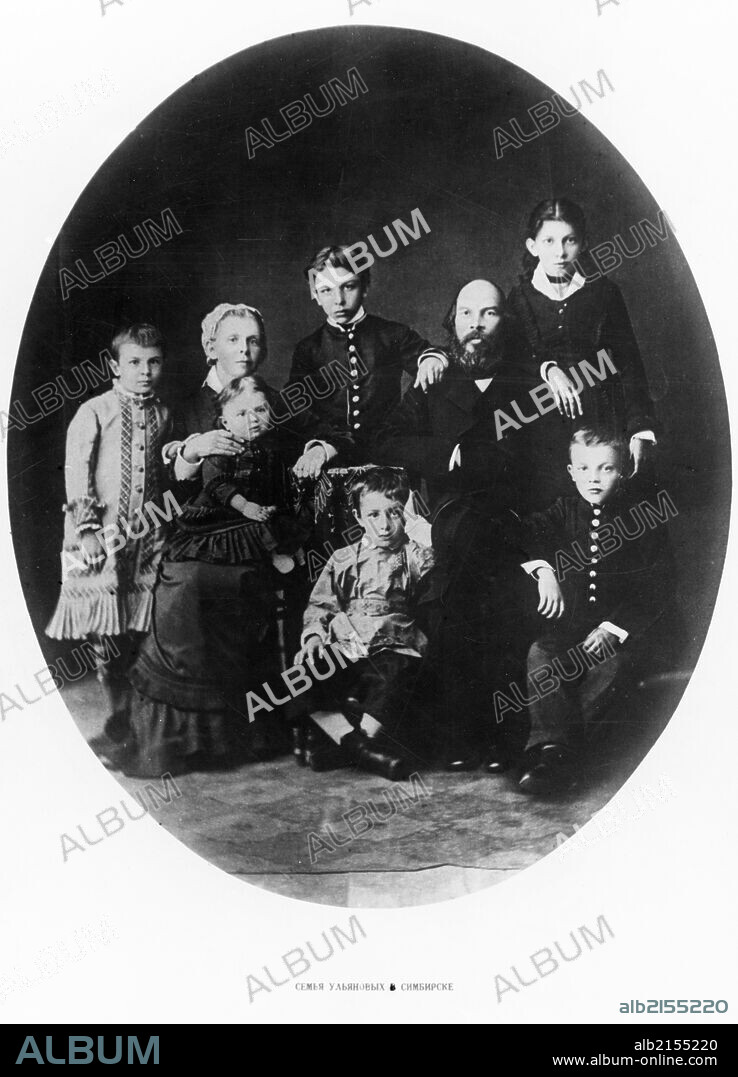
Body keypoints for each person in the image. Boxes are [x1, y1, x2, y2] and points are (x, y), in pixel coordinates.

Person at [122, 311, 324, 778]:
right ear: (210, 347)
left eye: (254, 341)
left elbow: (313, 432)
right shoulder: (186, 402)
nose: (244, 350)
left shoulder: (271, 399)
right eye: (232, 340)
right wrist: (191, 450)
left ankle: (248, 730)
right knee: (185, 585)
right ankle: (183, 736)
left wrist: (318, 447)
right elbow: (161, 470)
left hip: (252, 536)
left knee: (245, 583)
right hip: (200, 529)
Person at [374, 279, 536, 771]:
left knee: (459, 595)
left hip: (512, 524)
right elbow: (384, 440)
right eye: (467, 314)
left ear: (502, 323)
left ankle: (468, 737)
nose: (476, 326)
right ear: (452, 322)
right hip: (450, 522)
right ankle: (486, 739)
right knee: (470, 573)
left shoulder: (527, 383)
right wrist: (448, 454)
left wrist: (481, 461)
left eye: (488, 315)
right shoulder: (433, 382)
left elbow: (540, 467)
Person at [516, 427, 675, 795]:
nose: (594, 478)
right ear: (571, 472)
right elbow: (525, 533)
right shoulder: (563, 509)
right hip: (571, 627)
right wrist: (544, 570)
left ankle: (569, 754)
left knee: (612, 667)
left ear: (624, 472)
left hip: (621, 631)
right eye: (584, 469)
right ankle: (553, 748)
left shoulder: (642, 517)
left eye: (606, 469)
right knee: (542, 653)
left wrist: (614, 628)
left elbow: (659, 584)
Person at [46, 324, 172, 749]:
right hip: (100, 540)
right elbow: (77, 471)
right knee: (108, 636)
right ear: (113, 366)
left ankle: (137, 720)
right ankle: (116, 716)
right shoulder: (95, 410)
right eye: (134, 362)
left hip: (145, 540)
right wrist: (87, 531)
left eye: (153, 362)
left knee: (139, 632)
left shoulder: (163, 413)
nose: (144, 371)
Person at [506, 198, 658, 506]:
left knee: (609, 506)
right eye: (549, 241)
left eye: (569, 240)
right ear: (532, 246)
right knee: (550, 505)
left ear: (583, 244)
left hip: (603, 416)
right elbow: (512, 360)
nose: (559, 252)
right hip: (542, 422)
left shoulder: (605, 293)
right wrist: (548, 369)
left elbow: (628, 362)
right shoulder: (520, 298)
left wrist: (640, 429)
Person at [296, 468, 435, 781]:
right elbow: (322, 604)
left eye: (394, 514)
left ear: (406, 514)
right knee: (303, 675)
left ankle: (357, 742)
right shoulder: (344, 558)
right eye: (373, 515)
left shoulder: (413, 555)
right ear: (358, 518)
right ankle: (358, 748)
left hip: (393, 642)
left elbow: (433, 570)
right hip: (348, 643)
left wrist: (420, 533)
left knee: (398, 675)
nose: (384, 525)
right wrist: (315, 638)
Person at [287, 245, 447, 467]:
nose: (338, 300)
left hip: (388, 454)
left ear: (365, 286)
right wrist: (326, 444)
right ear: (314, 293)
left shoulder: (392, 334)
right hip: (332, 458)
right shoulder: (308, 349)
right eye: (326, 290)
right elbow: (297, 406)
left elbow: (427, 353)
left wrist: (432, 359)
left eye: (348, 287)